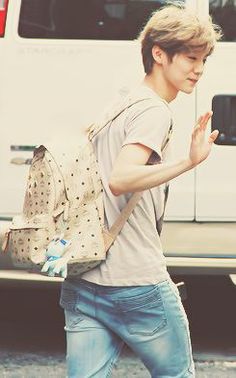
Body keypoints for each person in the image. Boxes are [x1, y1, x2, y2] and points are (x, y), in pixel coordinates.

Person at [60, 3, 222, 377]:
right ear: (159, 54)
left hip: (84, 280)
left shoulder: (121, 102)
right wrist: (188, 162)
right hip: (137, 283)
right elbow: (121, 178)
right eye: (190, 58)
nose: (198, 69)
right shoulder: (154, 112)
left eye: (203, 60)